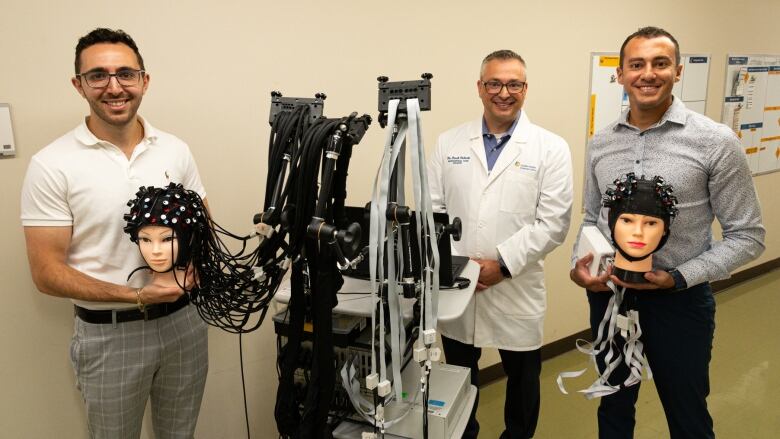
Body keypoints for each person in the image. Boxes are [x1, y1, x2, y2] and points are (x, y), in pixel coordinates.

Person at [570, 26, 765, 439]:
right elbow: (591, 219)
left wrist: (678, 277)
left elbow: (748, 235)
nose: (648, 74)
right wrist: (579, 265)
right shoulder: (601, 142)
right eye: (636, 64)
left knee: (687, 414)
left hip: (681, 304)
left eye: (660, 63)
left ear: (677, 72)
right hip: (611, 300)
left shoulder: (714, 142)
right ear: (619, 74)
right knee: (613, 407)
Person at [21, 28, 208, 438]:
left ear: (144, 80)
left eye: (125, 73)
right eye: (98, 76)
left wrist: (195, 268)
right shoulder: (52, 164)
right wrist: (136, 295)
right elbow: (46, 272)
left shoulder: (174, 149)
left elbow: (202, 228)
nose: (114, 87)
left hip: (185, 325)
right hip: (110, 334)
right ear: (79, 85)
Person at [428, 49, 573, 439]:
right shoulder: (449, 143)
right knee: (459, 377)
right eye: (494, 83)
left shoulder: (550, 148)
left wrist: (503, 264)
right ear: (479, 87)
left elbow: (554, 222)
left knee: (523, 381)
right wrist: (463, 267)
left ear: (526, 89)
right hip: (459, 283)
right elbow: (432, 212)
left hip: (517, 285)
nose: (503, 92)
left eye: (514, 84)